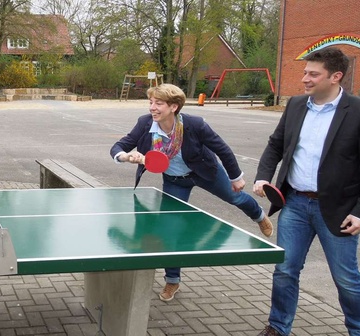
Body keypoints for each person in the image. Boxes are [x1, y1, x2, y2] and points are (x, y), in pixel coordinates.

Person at [110, 83, 273, 302]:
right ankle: (173, 279)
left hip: (205, 172)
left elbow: (221, 148)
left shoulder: (195, 125)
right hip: (175, 180)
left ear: (174, 107)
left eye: (158, 103)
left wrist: (236, 177)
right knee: (170, 230)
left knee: (234, 197)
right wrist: (127, 157)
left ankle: (259, 216)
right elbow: (119, 146)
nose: (152, 107)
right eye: (151, 102)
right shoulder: (145, 123)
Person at [252, 47, 360, 336]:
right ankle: (278, 327)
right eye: (305, 72)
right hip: (295, 204)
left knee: (346, 279)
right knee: (285, 270)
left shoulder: (359, 112)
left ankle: (359, 329)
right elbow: (276, 145)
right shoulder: (296, 105)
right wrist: (264, 177)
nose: (305, 79)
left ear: (335, 77)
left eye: (313, 74)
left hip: (339, 211)